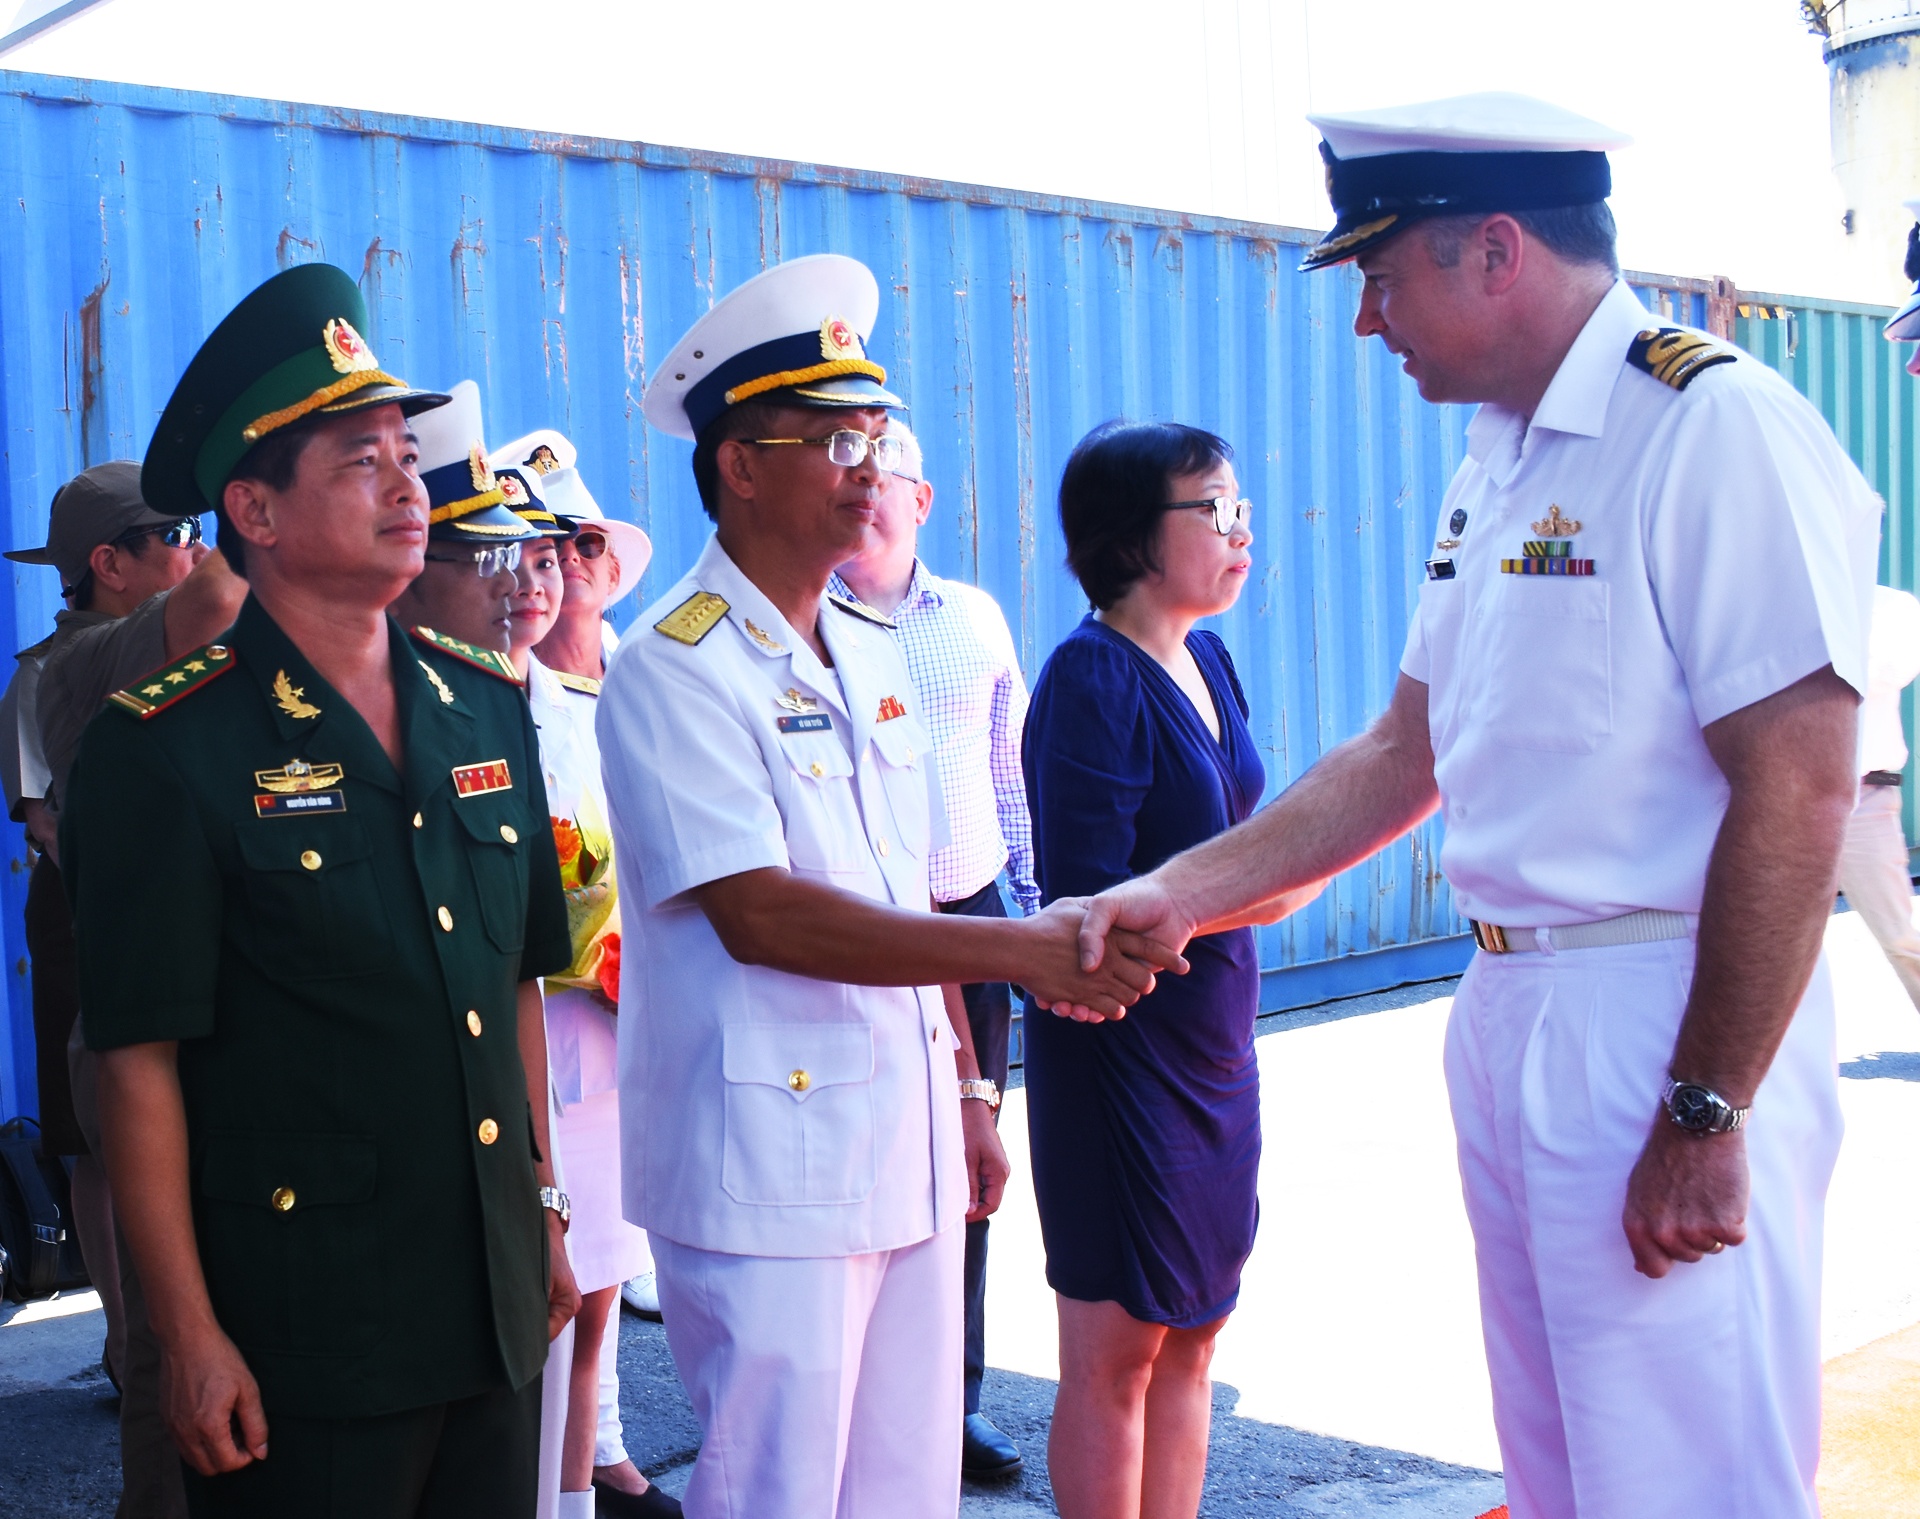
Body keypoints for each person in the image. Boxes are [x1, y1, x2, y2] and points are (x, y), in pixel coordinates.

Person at [1072, 94, 1882, 1519]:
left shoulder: (1711, 427)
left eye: (1385, 280)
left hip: (1663, 1015)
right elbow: (1404, 752)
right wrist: (1175, 893)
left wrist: (1707, 1105)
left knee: (1687, 1470)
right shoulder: (1496, 460)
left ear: (1496, 251)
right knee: (1565, 1466)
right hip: (1513, 1003)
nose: (1371, 324)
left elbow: (1800, 782)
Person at [598, 253, 1177, 1519]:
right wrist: (1023, 952)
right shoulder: (674, 668)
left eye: (874, 434)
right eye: (834, 439)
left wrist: (969, 1083)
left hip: (906, 1138)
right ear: (740, 464)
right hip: (768, 1159)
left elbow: (912, 883)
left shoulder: (870, 646)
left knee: (906, 1492)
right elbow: (759, 911)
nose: (870, 464)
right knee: (779, 1492)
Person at [62, 263, 581, 1517]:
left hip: (489, 1295)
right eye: (362, 461)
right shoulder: (165, 744)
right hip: (308, 1322)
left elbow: (515, 984)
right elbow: (138, 1060)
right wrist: (182, 1335)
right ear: (256, 508)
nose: (410, 484)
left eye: (406, 453)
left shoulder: (485, 704)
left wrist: (545, 1211)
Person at [1024, 422, 1314, 1519]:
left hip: (1213, 1041)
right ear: (1135, 534)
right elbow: (1095, 909)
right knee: (1116, 1349)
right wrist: (1289, 882)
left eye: (1242, 507)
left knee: (1195, 1333)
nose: (1242, 532)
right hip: (1120, 1047)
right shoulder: (1092, 676)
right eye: (1217, 509)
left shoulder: (1206, 654)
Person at [9, 461, 247, 1519]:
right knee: (167, 1343)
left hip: (207, 1006)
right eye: (174, 532)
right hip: (136, 1009)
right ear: (109, 564)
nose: (193, 548)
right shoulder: (75, 663)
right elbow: (214, 599)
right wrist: (278, 480)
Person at [828, 418, 1039, 1479]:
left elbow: (1009, 766)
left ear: (923, 500)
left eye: (886, 478)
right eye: (848, 476)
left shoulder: (974, 619)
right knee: (872, 1159)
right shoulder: (806, 626)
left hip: (976, 909)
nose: (866, 494)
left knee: (973, 1165)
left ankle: (952, 1404)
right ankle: (866, 1400)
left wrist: (1031, 913)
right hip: (868, 928)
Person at [499, 469, 676, 1517]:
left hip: (603, 1031)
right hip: (521, 1034)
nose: (546, 574)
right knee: (537, 1296)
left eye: (562, 551)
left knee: (596, 1282)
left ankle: (573, 1491)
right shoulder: (458, 704)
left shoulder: (585, 702)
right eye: (521, 554)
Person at [1837, 585, 1920, 1008]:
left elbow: (1877, 669)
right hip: (1789, 795)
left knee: (1901, 936)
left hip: (1866, 800)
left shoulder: (1892, 607)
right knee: (1772, 940)